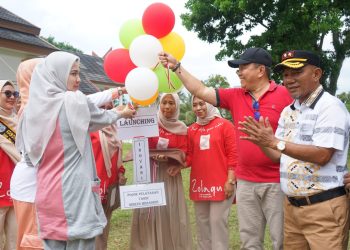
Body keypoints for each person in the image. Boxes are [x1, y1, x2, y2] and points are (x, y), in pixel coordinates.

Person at [159, 48, 293, 249]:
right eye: (238, 68)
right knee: (250, 241)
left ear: (260, 70)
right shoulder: (236, 95)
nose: (239, 72)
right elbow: (201, 90)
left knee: (280, 240)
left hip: (277, 180)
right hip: (246, 181)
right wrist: (177, 66)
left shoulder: (285, 94)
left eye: (243, 67)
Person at [15, 51, 135, 249]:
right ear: (57, 74)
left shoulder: (30, 110)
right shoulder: (74, 101)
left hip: (46, 192)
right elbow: (100, 118)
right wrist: (121, 113)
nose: (78, 79)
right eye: (73, 73)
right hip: (76, 192)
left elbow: (28, 158)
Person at [239, 50, 350, 249]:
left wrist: (274, 142)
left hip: (323, 209)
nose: (289, 79)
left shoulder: (330, 107)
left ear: (316, 74)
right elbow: (277, 156)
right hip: (292, 209)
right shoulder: (288, 110)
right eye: (286, 74)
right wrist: (262, 142)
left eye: (296, 72)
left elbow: (323, 155)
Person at [130, 93, 192, 250]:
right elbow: (140, 143)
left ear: (177, 106)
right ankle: (149, 245)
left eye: (171, 103)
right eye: (164, 102)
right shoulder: (150, 123)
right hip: (151, 174)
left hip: (169, 176)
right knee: (150, 212)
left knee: (169, 212)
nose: (167, 106)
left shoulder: (182, 128)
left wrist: (178, 165)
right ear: (159, 104)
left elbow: (187, 153)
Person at [187, 96, 238, 250]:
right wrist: (174, 163)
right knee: (202, 223)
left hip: (222, 183)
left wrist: (230, 181)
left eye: (202, 104)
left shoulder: (225, 126)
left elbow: (234, 155)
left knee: (217, 222)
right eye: (194, 105)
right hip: (200, 184)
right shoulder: (191, 129)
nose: (198, 108)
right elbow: (189, 156)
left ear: (209, 104)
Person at [90, 102, 127, 250]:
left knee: (104, 228)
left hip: (110, 184)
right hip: (93, 185)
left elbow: (118, 157)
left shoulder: (116, 130)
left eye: (108, 107)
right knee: (91, 228)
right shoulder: (89, 129)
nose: (105, 111)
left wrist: (121, 172)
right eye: (101, 107)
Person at [0, 80, 20, 250]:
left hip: (17, 188)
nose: (12, 97)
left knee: (15, 241)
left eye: (15, 94)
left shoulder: (19, 120)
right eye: (7, 93)